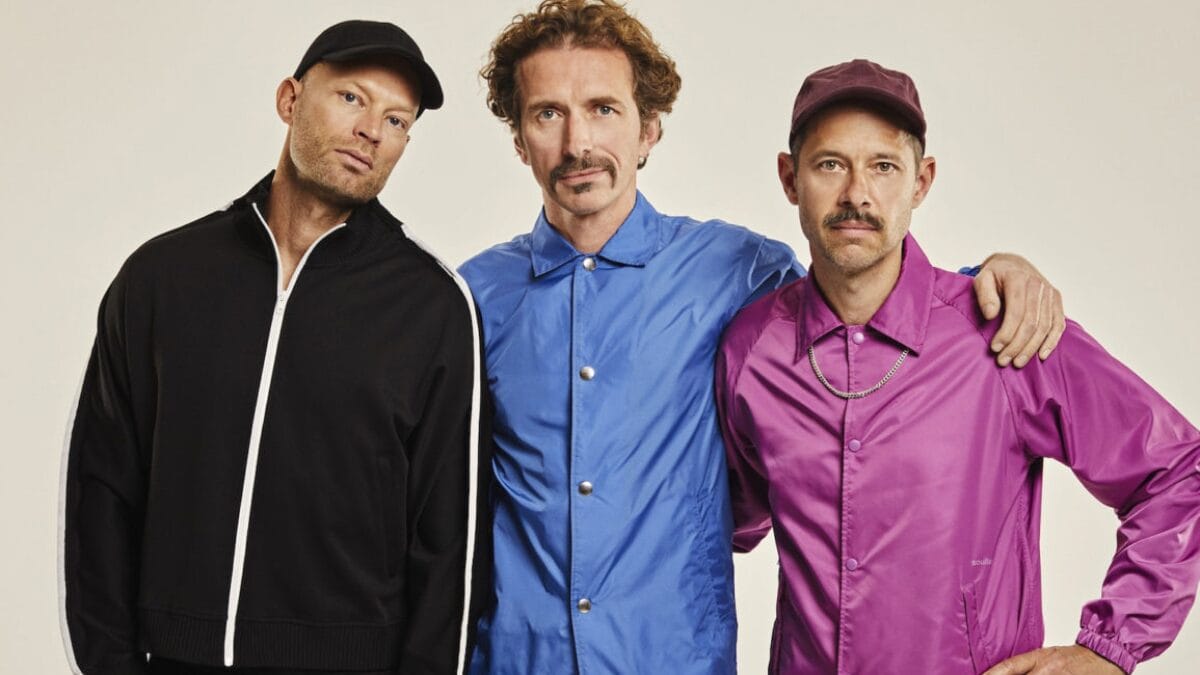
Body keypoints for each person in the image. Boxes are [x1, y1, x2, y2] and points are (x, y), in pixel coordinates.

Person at [460, 2, 1065, 672]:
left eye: (604, 108)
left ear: (649, 129)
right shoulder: (470, 298)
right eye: (548, 113)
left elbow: (861, 308)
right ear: (519, 140)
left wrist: (993, 279)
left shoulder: (738, 270)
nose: (579, 142)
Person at [715, 58, 1200, 674]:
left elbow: (1178, 468)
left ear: (921, 182)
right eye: (830, 164)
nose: (857, 194)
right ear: (790, 178)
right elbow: (729, 518)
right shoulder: (752, 349)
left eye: (884, 167)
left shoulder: (1005, 332)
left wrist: (1110, 648)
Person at [60, 20, 487, 675]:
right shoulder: (163, 278)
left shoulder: (433, 307)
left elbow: (449, 543)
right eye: (351, 97)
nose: (372, 130)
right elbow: (102, 489)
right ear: (290, 99)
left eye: (397, 120)